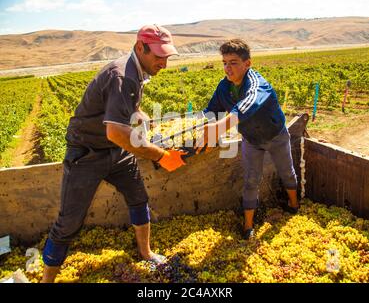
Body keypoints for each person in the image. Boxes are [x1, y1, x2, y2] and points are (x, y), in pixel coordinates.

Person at [41, 24, 187, 283]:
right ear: (140, 47)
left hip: (115, 152)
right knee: (69, 222)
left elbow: (128, 109)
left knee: (138, 198)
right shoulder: (122, 75)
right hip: (87, 153)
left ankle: (146, 253)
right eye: (158, 56)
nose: (163, 62)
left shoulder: (137, 71)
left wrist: (140, 115)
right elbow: (117, 134)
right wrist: (161, 156)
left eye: (166, 56)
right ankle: (47, 280)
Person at [195, 39, 299, 240]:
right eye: (224, 62)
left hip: (275, 135)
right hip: (251, 139)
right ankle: (248, 226)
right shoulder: (224, 88)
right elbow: (210, 111)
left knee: (286, 171)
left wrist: (219, 127)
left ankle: (294, 206)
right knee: (251, 180)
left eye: (233, 62)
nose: (227, 68)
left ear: (247, 63)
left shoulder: (259, 85)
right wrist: (195, 126)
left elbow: (246, 104)